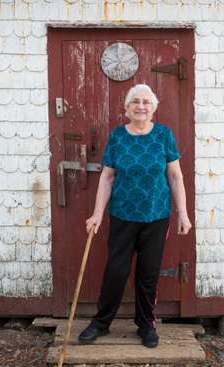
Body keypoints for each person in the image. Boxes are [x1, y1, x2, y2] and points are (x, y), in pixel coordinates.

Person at [78, 84, 192, 348]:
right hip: (122, 215)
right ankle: (101, 322)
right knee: (116, 271)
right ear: (127, 107)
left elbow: (175, 176)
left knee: (148, 273)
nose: (141, 106)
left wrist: (182, 214)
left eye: (146, 102)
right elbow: (107, 177)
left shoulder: (164, 135)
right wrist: (97, 214)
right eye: (135, 102)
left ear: (153, 108)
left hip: (156, 216)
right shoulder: (118, 136)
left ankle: (146, 324)